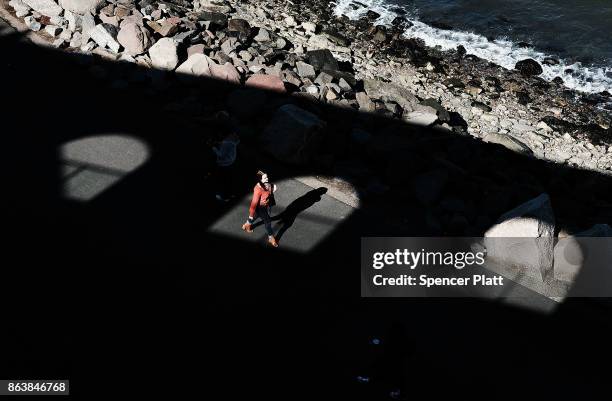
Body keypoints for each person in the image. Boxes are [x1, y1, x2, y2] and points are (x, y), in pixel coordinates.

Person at [242, 171, 279, 247]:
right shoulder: (258, 189)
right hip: (261, 208)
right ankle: (271, 237)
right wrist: (250, 215)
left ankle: (247, 225)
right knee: (268, 222)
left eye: (267, 177)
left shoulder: (267, 184)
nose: (267, 178)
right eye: (265, 178)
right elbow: (253, 203)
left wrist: (272, 189)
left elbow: (269, 189)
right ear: (260, 180)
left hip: (266, 206)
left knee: (256, 216)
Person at [210, 113, 240, 202]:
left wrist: (213, 147)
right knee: (228, 179)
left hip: (224, 164)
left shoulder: (225, 143)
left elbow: (221, 155)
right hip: (231, 161)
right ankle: (230, 194)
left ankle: (224, 196)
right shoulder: (233, 139)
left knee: (222, 179)